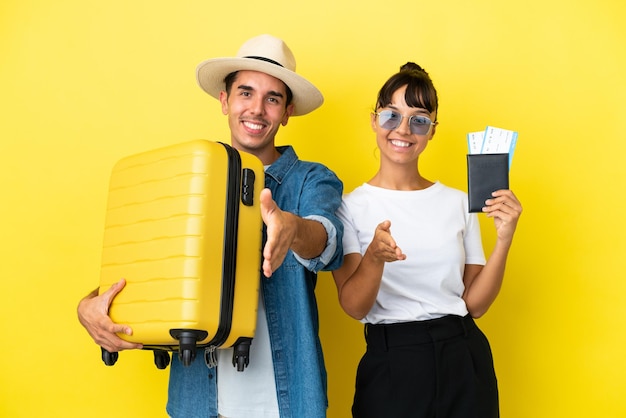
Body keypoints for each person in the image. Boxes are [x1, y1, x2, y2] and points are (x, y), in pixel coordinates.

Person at [77, 34, 344, 418]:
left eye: (273, 98)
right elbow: (149, 264)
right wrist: (88, 306)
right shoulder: (187, 177)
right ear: (225, 101)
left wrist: (291, 230)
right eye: (245, 93)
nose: (257, 109)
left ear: (286, 112)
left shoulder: (311, 181)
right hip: (197, 402)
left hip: (287, 402)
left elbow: (326, 241)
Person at [331, 62, 522, 418]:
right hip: (392, 363)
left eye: (419, 119)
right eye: (391, 116)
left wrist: (505, 239)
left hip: (464, 358)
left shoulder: (459, 202)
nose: (403, 129)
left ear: (432, 131)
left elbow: (475, 304)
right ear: (374, 120)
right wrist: (374, 256)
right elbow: (355, 307)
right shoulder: (350, 207)